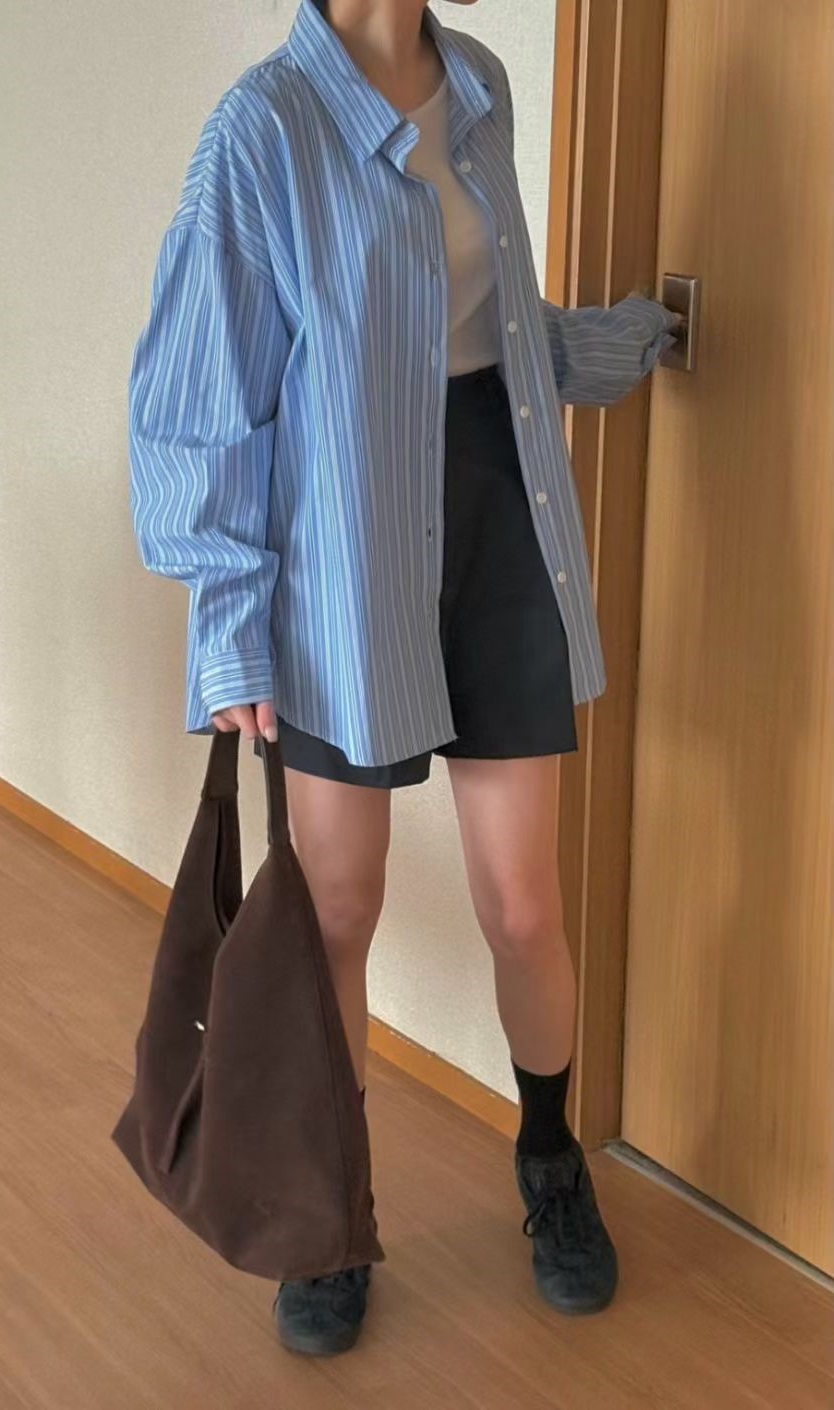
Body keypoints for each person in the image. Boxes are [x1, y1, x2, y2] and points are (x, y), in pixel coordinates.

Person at [127, 0, 680, 1358]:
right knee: (339, 910)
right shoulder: (262, 130)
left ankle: (551, 1160)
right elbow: (203, 400)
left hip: (499, 525)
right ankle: (334, 1210)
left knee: (524, 899)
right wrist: (232, 622)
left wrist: (631, 340)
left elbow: (495, 321)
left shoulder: (477, 81)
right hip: (343, 553)